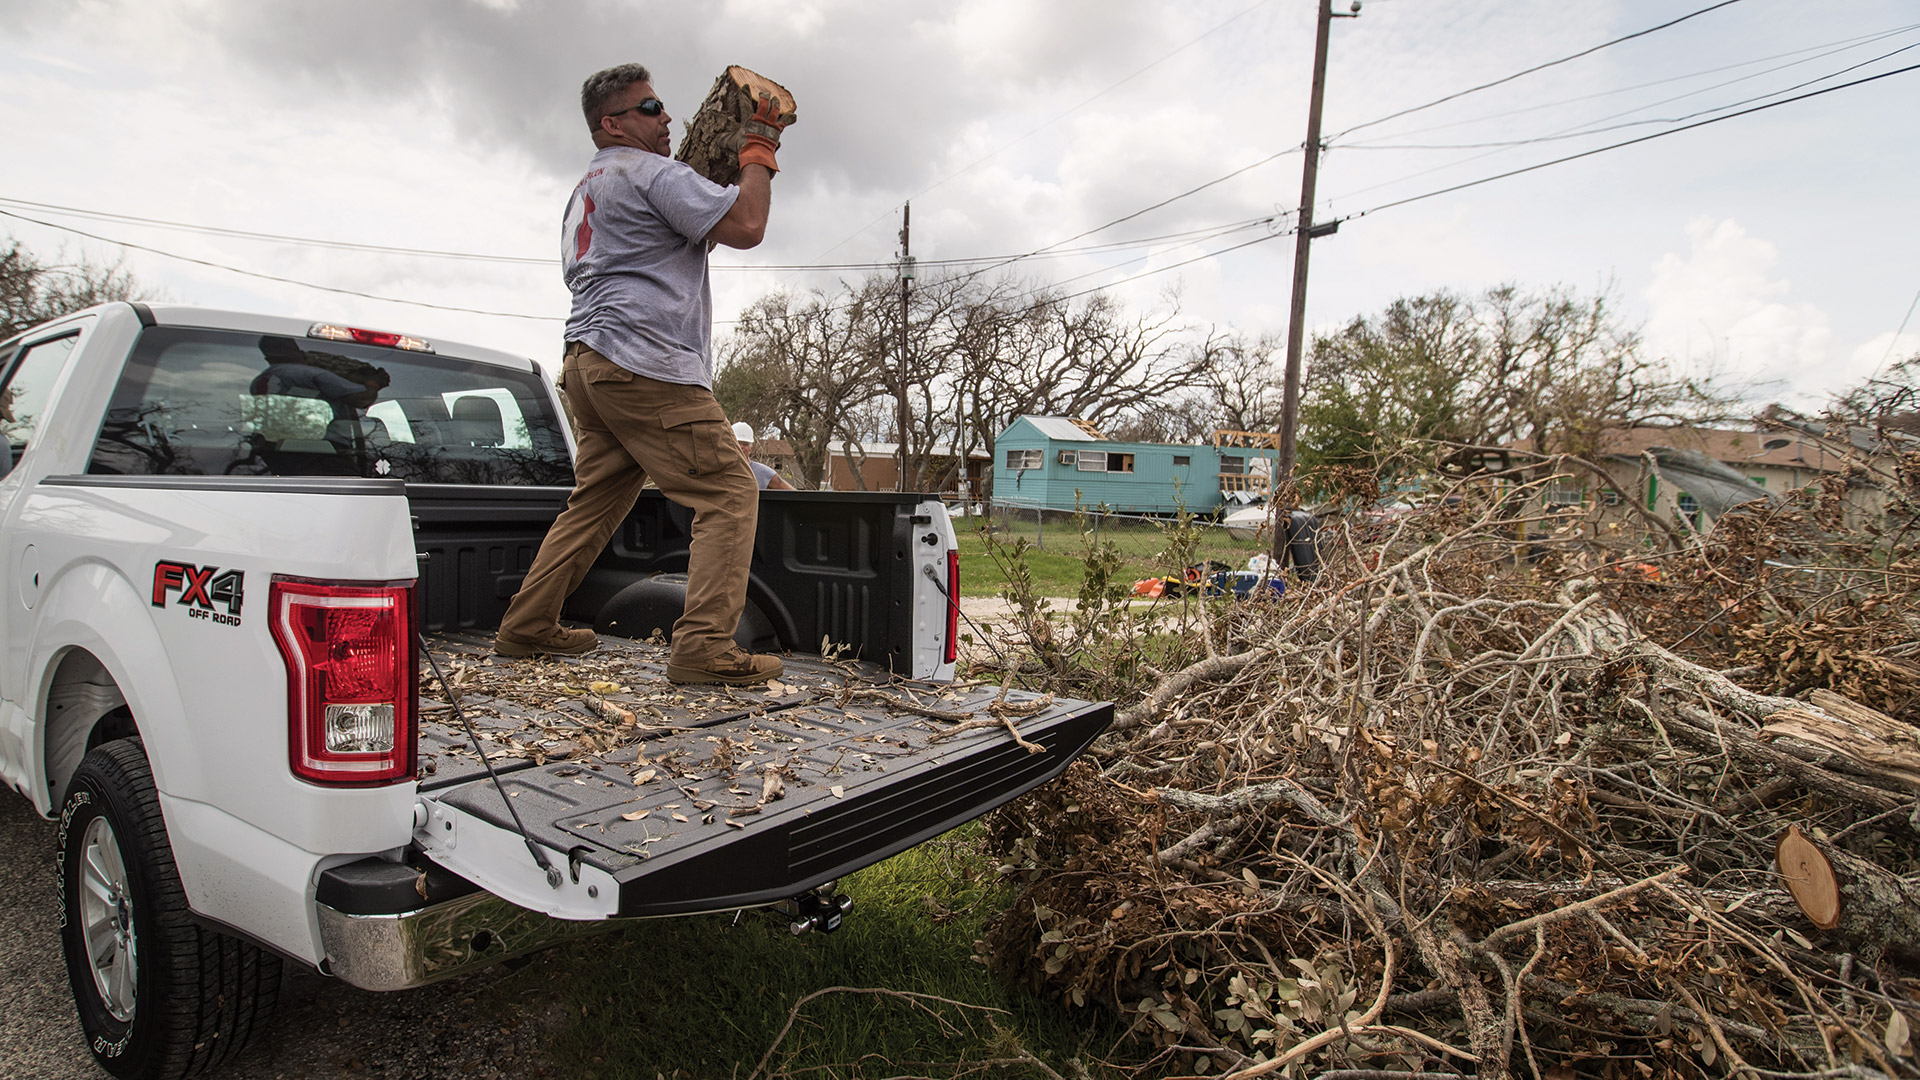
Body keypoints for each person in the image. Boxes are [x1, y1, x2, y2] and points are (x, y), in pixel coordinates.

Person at [493, 62, 790, 686]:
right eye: (650, 108)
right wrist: (760, 148)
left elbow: (666, 244)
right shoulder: (651, 172)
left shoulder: (588, 188)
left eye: (662, 106)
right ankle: (705, 647)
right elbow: (747, 226)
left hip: (588, 362)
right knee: (730, 492)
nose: (666, 117)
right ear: (612, 123)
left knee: (595, 501)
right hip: (645, 362)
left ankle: (527, 624)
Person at [731, 421, 796, 490]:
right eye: (737, 443)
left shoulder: (762, 472)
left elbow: (794, 494)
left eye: (745, 444)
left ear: (750, 448)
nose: (741, 447)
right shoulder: (722, 469)